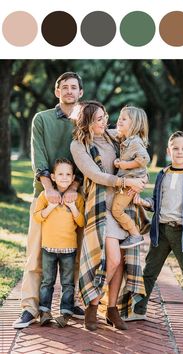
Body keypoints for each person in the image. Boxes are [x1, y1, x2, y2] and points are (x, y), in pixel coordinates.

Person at [13, 72, 85, 329]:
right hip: (44, 195)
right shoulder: (41, 119)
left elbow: (85, 157)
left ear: (80, 93)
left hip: (75, 196)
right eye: (64, 87)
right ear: (57, 92)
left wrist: (73, 187)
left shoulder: (83, 122)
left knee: (74, 254)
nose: (68, 91)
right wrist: (48, 187)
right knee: (35, 255)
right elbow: (38, 154)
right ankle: (30, 308)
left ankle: (69, 303)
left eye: (73, 87)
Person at [70, 101, 146, 331]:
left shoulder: (114, 137)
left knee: (122, 261)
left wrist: (141, 178)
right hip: (102, 208)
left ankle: (112, 309)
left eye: (105, 117)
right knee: (111, 259)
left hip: (124, 206)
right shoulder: (79, 145)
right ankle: (93, 304)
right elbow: (94, 174)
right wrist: (125, 181)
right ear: (87, 122)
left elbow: (135, 140)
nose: (105, 122)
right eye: (99, 119)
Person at [131, 131, 183, 337]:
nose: (179, 152)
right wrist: (145, 202)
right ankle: (138, 310)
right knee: (149, 272)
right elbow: (157, 201)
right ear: (168, 150)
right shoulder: (163, 174)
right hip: (161, 231)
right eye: (175, 148)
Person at [34, 158, 84, 327]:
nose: (64, 177)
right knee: (47, 281)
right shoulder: (45, 196)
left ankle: (66, 313)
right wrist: (50, 207)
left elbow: (81, 222)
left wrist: (73, 207)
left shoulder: (76, 198)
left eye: (68, 174)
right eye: (60, 174)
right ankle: (45, 311)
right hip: (48, 248)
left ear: (73, 178)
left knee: (67, 283)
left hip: (69, 249)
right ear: (53, 177)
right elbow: (37, 216)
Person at [112, 106, 150, 249]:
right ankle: (145, 221)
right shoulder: (126, 139)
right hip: (131, 180)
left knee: (116, 210)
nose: (119, 121)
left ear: (134, 124)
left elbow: (145, 158)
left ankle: (135, 234)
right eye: (119, 118)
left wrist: (125, 165)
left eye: (124, 119)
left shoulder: (134, 142)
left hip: (130, 182)